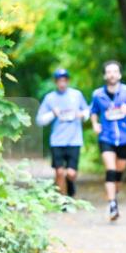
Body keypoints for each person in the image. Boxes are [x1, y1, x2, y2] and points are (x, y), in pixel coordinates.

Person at [89, 60, 126, 221]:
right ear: (105, 75)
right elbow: (93, 110)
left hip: (124, 138)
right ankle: (112, 204)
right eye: (109, 72)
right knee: (111, 170)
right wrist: (95, 124)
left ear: (119, 74)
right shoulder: (98, 94)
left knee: (119, 174)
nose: (112, 74)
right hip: (106, 137)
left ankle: (114, 195)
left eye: (115, 71)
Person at [35, 69, 89, 197]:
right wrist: (52, 113)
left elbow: (87, 112)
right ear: (55, 82)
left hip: (74, 140)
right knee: (59, 172)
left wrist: (81, 115)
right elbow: (39, 120)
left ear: (68, 81)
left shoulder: (77, 95)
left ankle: (70, 188)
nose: (62, 83)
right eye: (59, 81)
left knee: (71, 173)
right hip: (57, 141)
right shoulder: (50, 98)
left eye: (64, 80)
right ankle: (62, 201)